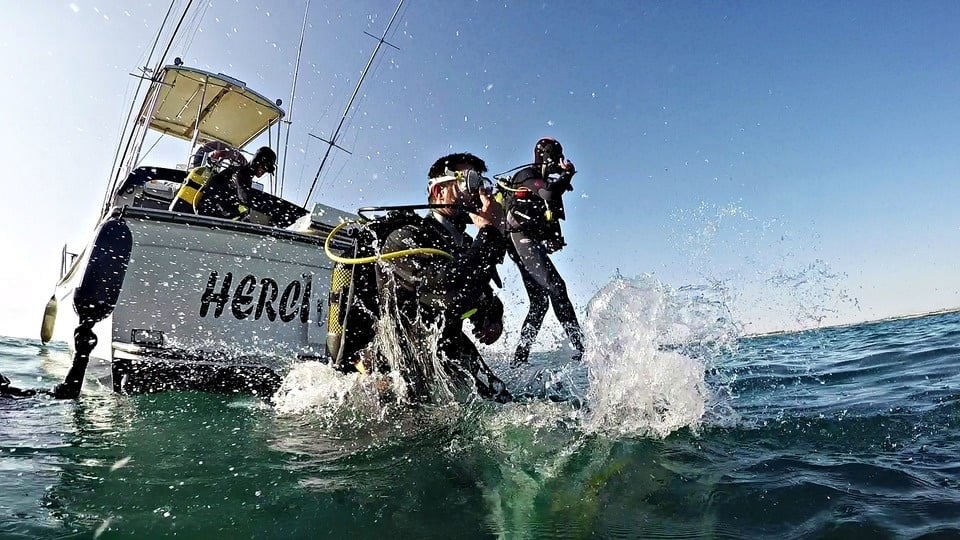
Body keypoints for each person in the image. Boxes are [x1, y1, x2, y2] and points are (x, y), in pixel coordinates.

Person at [329, 152, 511, 403]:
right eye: (468, 181)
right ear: (438, 192)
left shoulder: (466, 244)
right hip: (398, 358)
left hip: (446, 349)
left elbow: (481, 292)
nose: (479, 192)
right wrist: (489, 232)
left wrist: (493, 316)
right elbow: (448, 293)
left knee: (503, 399)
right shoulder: (406, 237)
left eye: (481, 182)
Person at [499, 137, 584, 366]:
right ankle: (581, 347)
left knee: (540, 302)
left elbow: (549, 205)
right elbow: (548, 193)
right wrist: (568, 175)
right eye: (557, 157)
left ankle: (519, 358)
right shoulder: (526, 176)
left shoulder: (543, 181)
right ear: (547, 156)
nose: (559, 162)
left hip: (527, 241)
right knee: (557, 287)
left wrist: (553, 239)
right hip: (519, 238)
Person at [194, 146, 276, 220]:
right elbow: (244, 198)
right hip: (206, 213)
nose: (264, 172)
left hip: (217, 212)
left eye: (267, 170)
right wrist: (265, 207)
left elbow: (239, 201)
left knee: (243, 214)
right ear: (257, 161)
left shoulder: (244, 175)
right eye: (264, 168)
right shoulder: (240, 173)